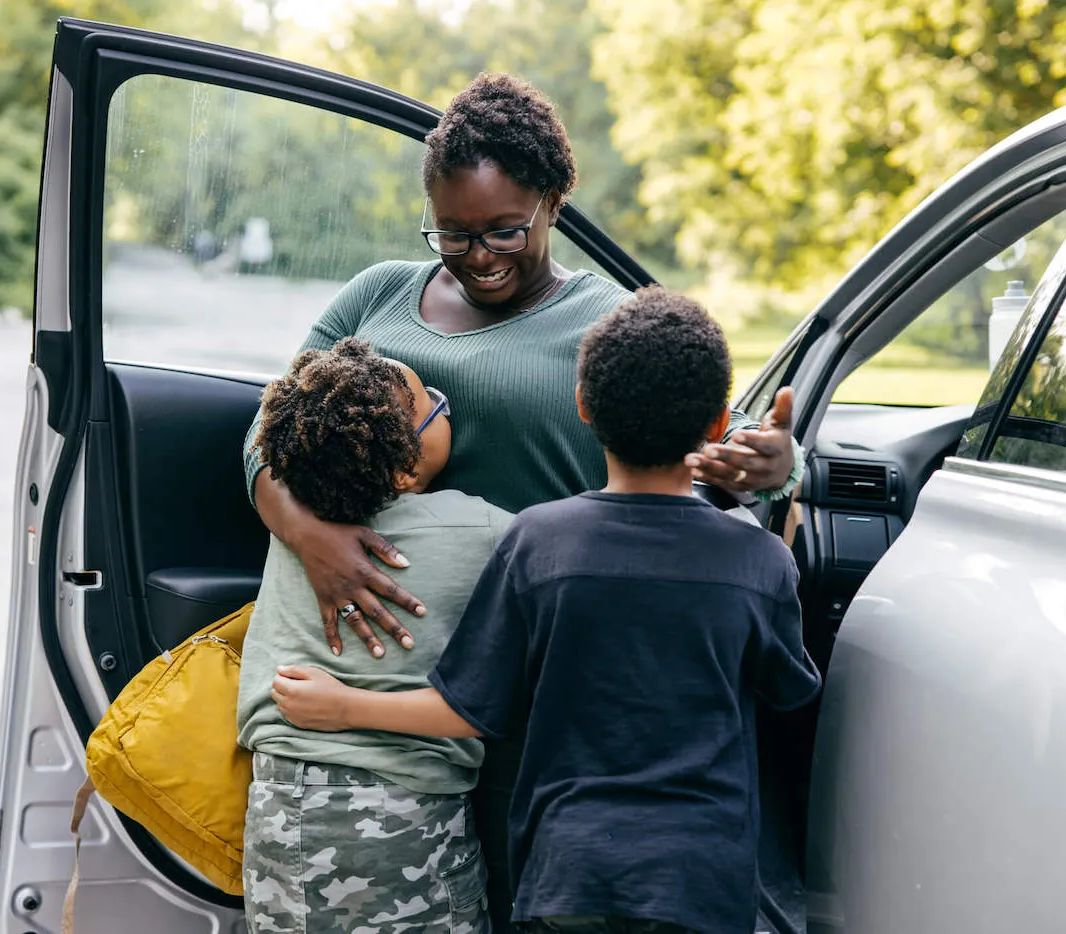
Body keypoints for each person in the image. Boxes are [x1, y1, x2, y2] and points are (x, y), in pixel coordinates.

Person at [242, 73, 804, 930]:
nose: (479, 254)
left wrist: (768, 473)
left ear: (553, 203)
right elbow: (269, 429)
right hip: (378, 669)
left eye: (505, 228)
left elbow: (675, 472)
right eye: (452, 234)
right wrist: (310, 534)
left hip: (531, 675)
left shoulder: (610, 323)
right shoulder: (376, 294)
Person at [270, 288, 824, 934]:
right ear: (716, 421)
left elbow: (472, 706)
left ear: (582, 405)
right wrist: (784, 507)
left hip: (568, 871)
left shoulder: (538, 540)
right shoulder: (757, 563)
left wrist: (345, 706)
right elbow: (789, 691)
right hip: (699, 878)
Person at [237, 337, 512, 934]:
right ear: (406, 467)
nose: (444, 402)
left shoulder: (296, 532)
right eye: (427, 400)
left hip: (280, 800)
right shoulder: (482, 529)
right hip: (405, 808)